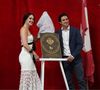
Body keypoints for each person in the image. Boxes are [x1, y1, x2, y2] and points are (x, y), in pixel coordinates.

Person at [56, 13, 87, 90]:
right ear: (60, 22)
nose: (66, 21)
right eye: (63, 20)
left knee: (81, 80)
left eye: (67, 19)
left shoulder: (75, 30)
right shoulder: (57, 33)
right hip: (65, 60)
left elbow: (80, 44)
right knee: (68, 82)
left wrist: (72, 55)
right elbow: (56, 47)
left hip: (76, 59)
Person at [19, 13, 42, 90]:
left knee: (32, 77)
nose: (32, 20)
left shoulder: (27, 30)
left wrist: (42, 30)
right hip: (25, 56)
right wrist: (35, 54)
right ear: (25, 19)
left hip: (29, 56)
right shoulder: (23, 29)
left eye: (33, 19)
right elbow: (25, 45)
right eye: (30, 18)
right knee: (27, 79)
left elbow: (35, 39)